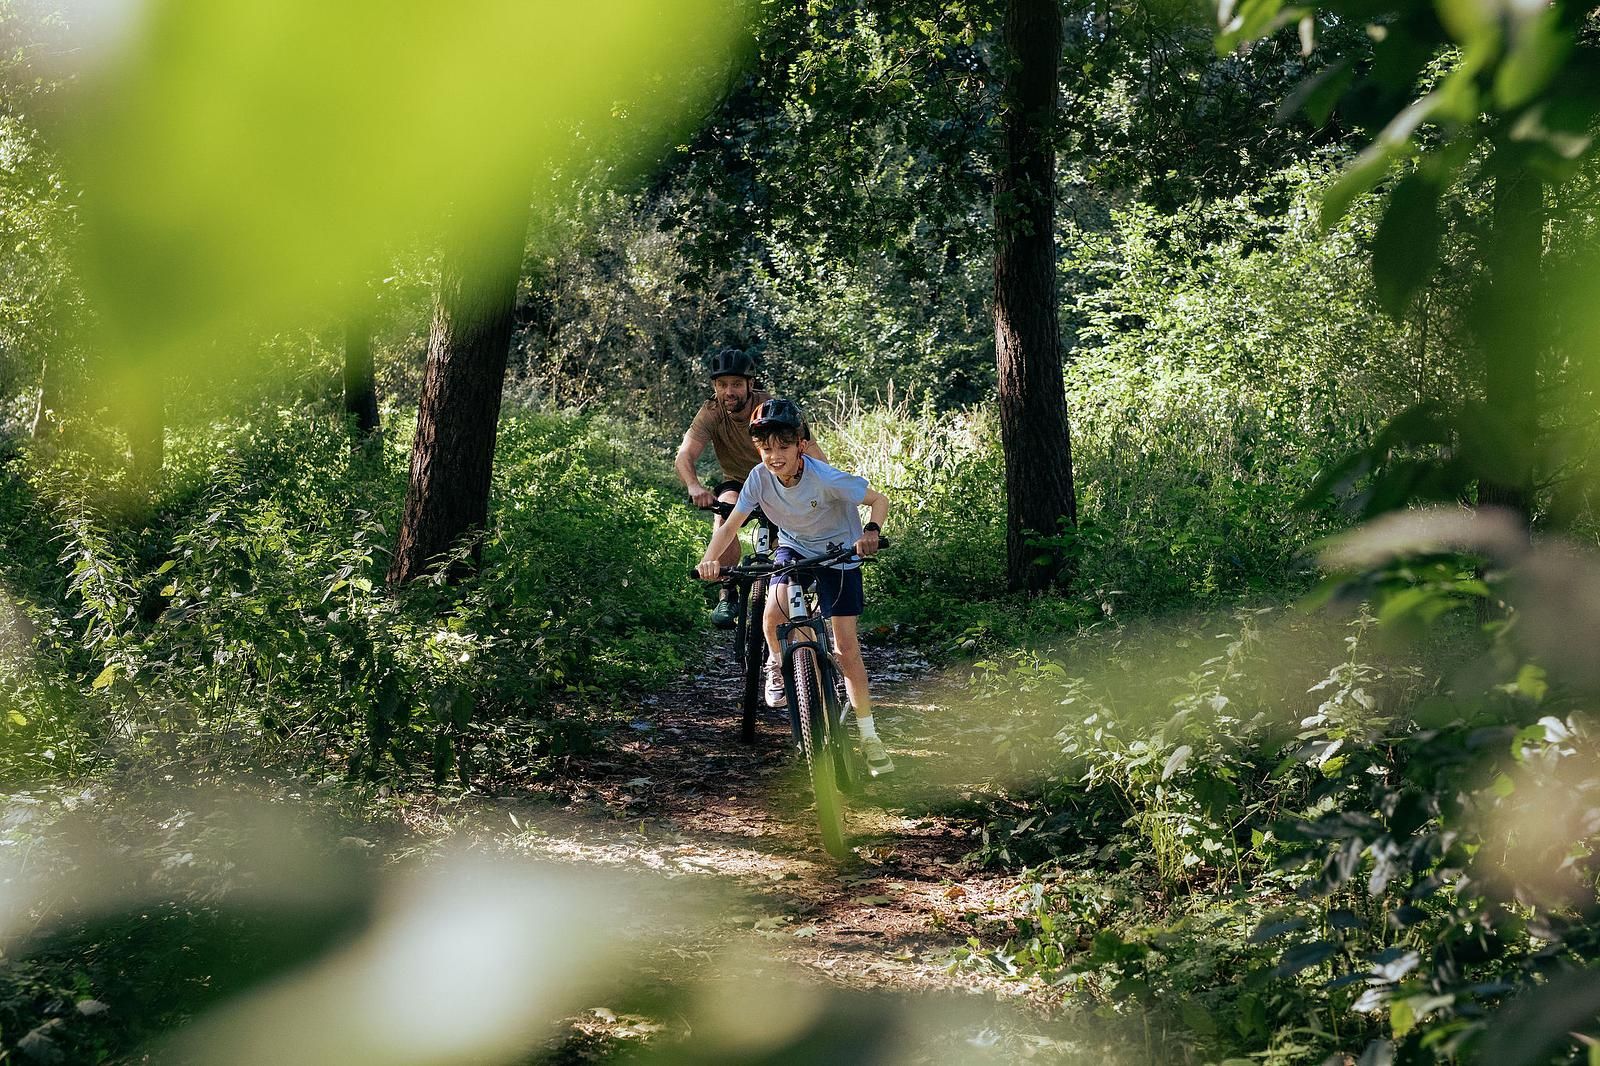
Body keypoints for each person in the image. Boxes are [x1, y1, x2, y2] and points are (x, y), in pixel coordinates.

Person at [694, 397, 895, 777]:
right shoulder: (758, 479)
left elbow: (878, 500)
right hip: (795, 549)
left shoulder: (825, 477)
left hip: (839, 553)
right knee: (774, 609)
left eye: (783, 446)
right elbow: (731, 525)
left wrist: (871, 532)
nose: (774, 456)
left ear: (800, 445)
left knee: (846, 648)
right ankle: (776, 663)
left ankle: (869, 738)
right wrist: (711, 560)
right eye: (766, 448)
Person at [675, 349, 823, 627]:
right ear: (714, 387)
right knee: (725, 510)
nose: (728, 391)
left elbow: (813, 452)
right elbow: (684, 455)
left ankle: (798, 582)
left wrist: (823, 485)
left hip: (777, 477)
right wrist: (694, 486)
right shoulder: (711, 412)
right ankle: (727, 591)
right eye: (722, 385)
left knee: (790, 532)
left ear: (750, 384)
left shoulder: (772, 408)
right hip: (738, 482)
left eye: (736, 384)